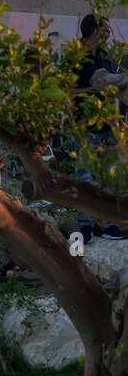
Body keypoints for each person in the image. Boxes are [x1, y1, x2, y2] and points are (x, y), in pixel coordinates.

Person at [71, 14, 128, 239]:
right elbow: (73, 89)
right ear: (94, 31)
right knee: (85, 175)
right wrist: (99, 87)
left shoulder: (104, 56)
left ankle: (110, 224)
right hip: (84, 123)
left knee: (110, 175)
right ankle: (85, 224)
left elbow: (114, 85)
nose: (108, 34)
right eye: (105, 30)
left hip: (107, 123)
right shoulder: (76, 56)